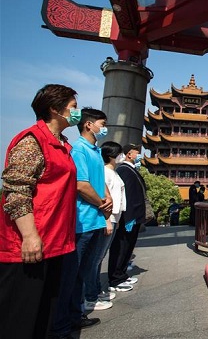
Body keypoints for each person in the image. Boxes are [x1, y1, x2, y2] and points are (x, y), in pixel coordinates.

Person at [0, 84, 80, 338]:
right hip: (30, 243)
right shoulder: (31, 141)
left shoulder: (63, 144)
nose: (76, 112)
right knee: (20, 318)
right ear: (55, 109)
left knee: (45, 314)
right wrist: (29, 235)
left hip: (55, 242)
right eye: (73, 107)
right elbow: (16, 190)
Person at [51, 107, 114, 338]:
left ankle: (75, 315)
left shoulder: (95, 150)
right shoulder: (79, 149)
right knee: (71, 274)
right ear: (89, 124)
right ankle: (61, 325)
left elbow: (99, 180)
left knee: (82, 272)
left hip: (95, 219)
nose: (104, 128)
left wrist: (108, 196)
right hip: (83, 221)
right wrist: (102, 203)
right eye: (102, 124)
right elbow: (81, 184)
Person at [108, 144, 146, 292]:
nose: (139, 155)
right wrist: (128, 217)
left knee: (128, 247)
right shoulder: (124, 170)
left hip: (134, 215)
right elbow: (126, 195)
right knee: (121, 247)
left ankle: (122, 274)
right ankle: (116, 277)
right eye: (137, 152)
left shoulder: (131, 169)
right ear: (129, 154)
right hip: (129, 216)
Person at [97, 141, 127, 301]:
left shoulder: (114, 172)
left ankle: (94, 290)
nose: (122, 156)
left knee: (101, 255)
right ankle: (93, 292)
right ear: (111, 155)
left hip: (116, 217)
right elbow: (103, 197)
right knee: (98, 256)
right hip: (108, 217)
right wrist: (107, 219)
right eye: (120, 153)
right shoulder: (105, 172)